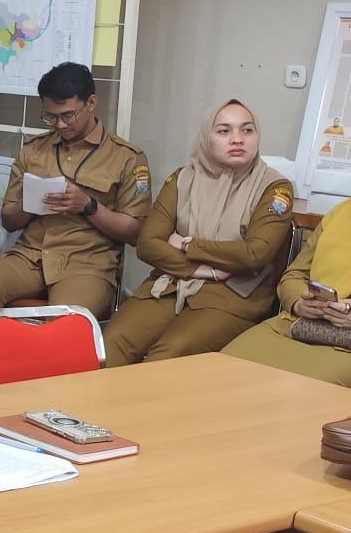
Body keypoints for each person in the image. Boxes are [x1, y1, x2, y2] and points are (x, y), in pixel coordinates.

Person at [105, 100, 292, 365]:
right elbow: (147, 244)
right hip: (170, 284)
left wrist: (187, 245)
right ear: (207, 137)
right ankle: (99, 408)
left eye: (247, 130)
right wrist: (204, 269)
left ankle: (141, 408)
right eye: (224, 131)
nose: (237, 139)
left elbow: (254, 254)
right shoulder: (182, 178)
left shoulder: (274, 187)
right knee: (111, 340)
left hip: (233, 295)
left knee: (169, 354)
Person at [0, 62, 150, 326]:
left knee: (63, 319)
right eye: (51, 117)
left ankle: (46, 369)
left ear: (91, 103)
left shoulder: (126, 157)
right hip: (31, 257)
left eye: (68, 115)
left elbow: (135, 232)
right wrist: (31, 204)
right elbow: (8, 219)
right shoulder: (34, 150)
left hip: (87, 263)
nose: (60, 124)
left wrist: (88, 205)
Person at [224, 130, 351, 391]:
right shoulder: (341, 216)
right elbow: (294, 276)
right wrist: (300, 303)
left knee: (293, 392)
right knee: (223, 367)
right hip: (301, 326)